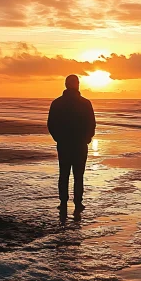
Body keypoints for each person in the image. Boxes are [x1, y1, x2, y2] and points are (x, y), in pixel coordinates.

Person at [47, 74, 96, 215]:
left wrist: (58, 138)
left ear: (66, 85)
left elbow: (51, 124)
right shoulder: (85, 103)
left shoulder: (57, 103)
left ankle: (63, 202)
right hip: (79, 144)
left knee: (64, 174)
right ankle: (78, 203)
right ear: (77, 85)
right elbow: (91, 124)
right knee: (78, 175)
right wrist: (87, 138)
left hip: (65, 144)